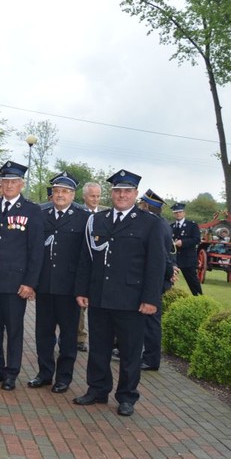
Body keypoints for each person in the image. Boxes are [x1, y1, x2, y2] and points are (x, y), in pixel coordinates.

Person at [74, 170, 168, 417]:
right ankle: (97, 390)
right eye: (117, 191)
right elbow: (87, 258)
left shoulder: (150, 223)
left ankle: (127, 397)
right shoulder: (98, 220)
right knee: (99, 349)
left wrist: (151, 299)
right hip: (100, 296)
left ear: (136, 194)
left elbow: (156, 265)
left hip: (132, 299)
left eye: (127, 191)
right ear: (111, 193)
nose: (122, 195)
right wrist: (82, 290)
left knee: (129, 352)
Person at [0, 161, 43, 391]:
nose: (9, 185)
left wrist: (30, 283)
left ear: (21, 184)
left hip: (16, 283)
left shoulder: (31, 210)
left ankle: (11, 373)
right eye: (5, 182)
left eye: (13, 181)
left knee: (13, 330)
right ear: (0, 184)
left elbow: (36, 251)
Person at [30, 172, 88, 393]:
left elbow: (85, 258)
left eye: (65, 191)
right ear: (52, 193)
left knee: (68, 336)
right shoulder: (41, 214)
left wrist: (82, 288)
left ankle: (64, 378)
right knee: (43, 334)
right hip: (45, 286)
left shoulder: (83, 218)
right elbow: (34, 252)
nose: (60, 195)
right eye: (56, 191)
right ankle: (44, 374)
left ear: (73, 195)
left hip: (69, 288)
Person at [137, 189, 177, 372]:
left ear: (146, 206)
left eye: (140, 204)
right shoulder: (160, 223)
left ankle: (151, 359)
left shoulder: (157, 225)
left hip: (157, 278)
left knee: (152, 321)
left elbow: (162, 254)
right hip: (159, 275)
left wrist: (170, 273)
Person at [77, 181, 103, 353]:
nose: (95, 199)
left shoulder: (105, 215)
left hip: (100, 270)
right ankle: (80, 337)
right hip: (81, 266)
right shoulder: (78, 214)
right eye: (92, 196)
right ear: (84, 197)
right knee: (80, 307)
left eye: (98, 196)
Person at [171, 202, 203, 296]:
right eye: (176, 212)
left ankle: (199, 298)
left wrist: (183, 243)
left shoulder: (192, 225)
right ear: (174, 214)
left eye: (180, 212)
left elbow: (197, 239)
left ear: (184, 213)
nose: (178, 214)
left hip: (188, 259)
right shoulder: (171, 227)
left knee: (193, 281)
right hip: (174, 259)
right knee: (169, 279)